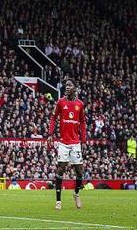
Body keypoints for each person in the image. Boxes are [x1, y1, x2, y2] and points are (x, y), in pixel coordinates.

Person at [47, 79, 86, 211]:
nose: (67, 87)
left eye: (70, 85)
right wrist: (50, 134)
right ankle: (58, 201)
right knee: (61, 169)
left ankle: (76, 194)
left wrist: (84, 141)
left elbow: (83, 123)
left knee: (79, 171)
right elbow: (53, 117)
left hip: (76, 142)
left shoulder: (80, 104)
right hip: (63, 142)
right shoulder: (60, 102)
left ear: (75, 87)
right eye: (66, 85)